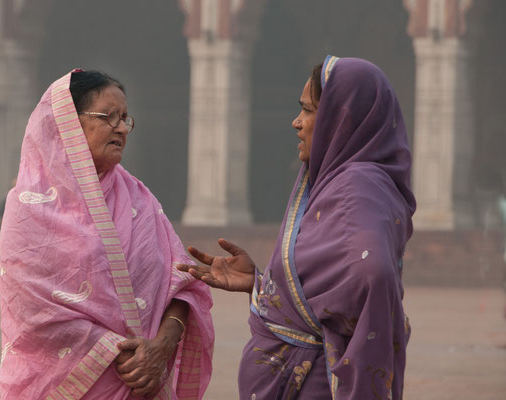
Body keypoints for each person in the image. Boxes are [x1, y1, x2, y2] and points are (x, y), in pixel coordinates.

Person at [178, 56, 416, 399]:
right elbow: (325, 290)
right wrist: (261, 285)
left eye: (307, 110)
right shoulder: (336, 182)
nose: (296, 122)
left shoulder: (356, 187)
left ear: (341, 118)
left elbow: (372, 274)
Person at [0, 69, 214, 399]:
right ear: (67, 123)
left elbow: (182, 283)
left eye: (126, 119)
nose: (121, 128)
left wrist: (162, 345)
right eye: (109, 116)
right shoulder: (28, 206)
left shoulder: (139, 198)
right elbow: (32, 312)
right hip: (71, 383)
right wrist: (123, 351)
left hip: (144, 381)